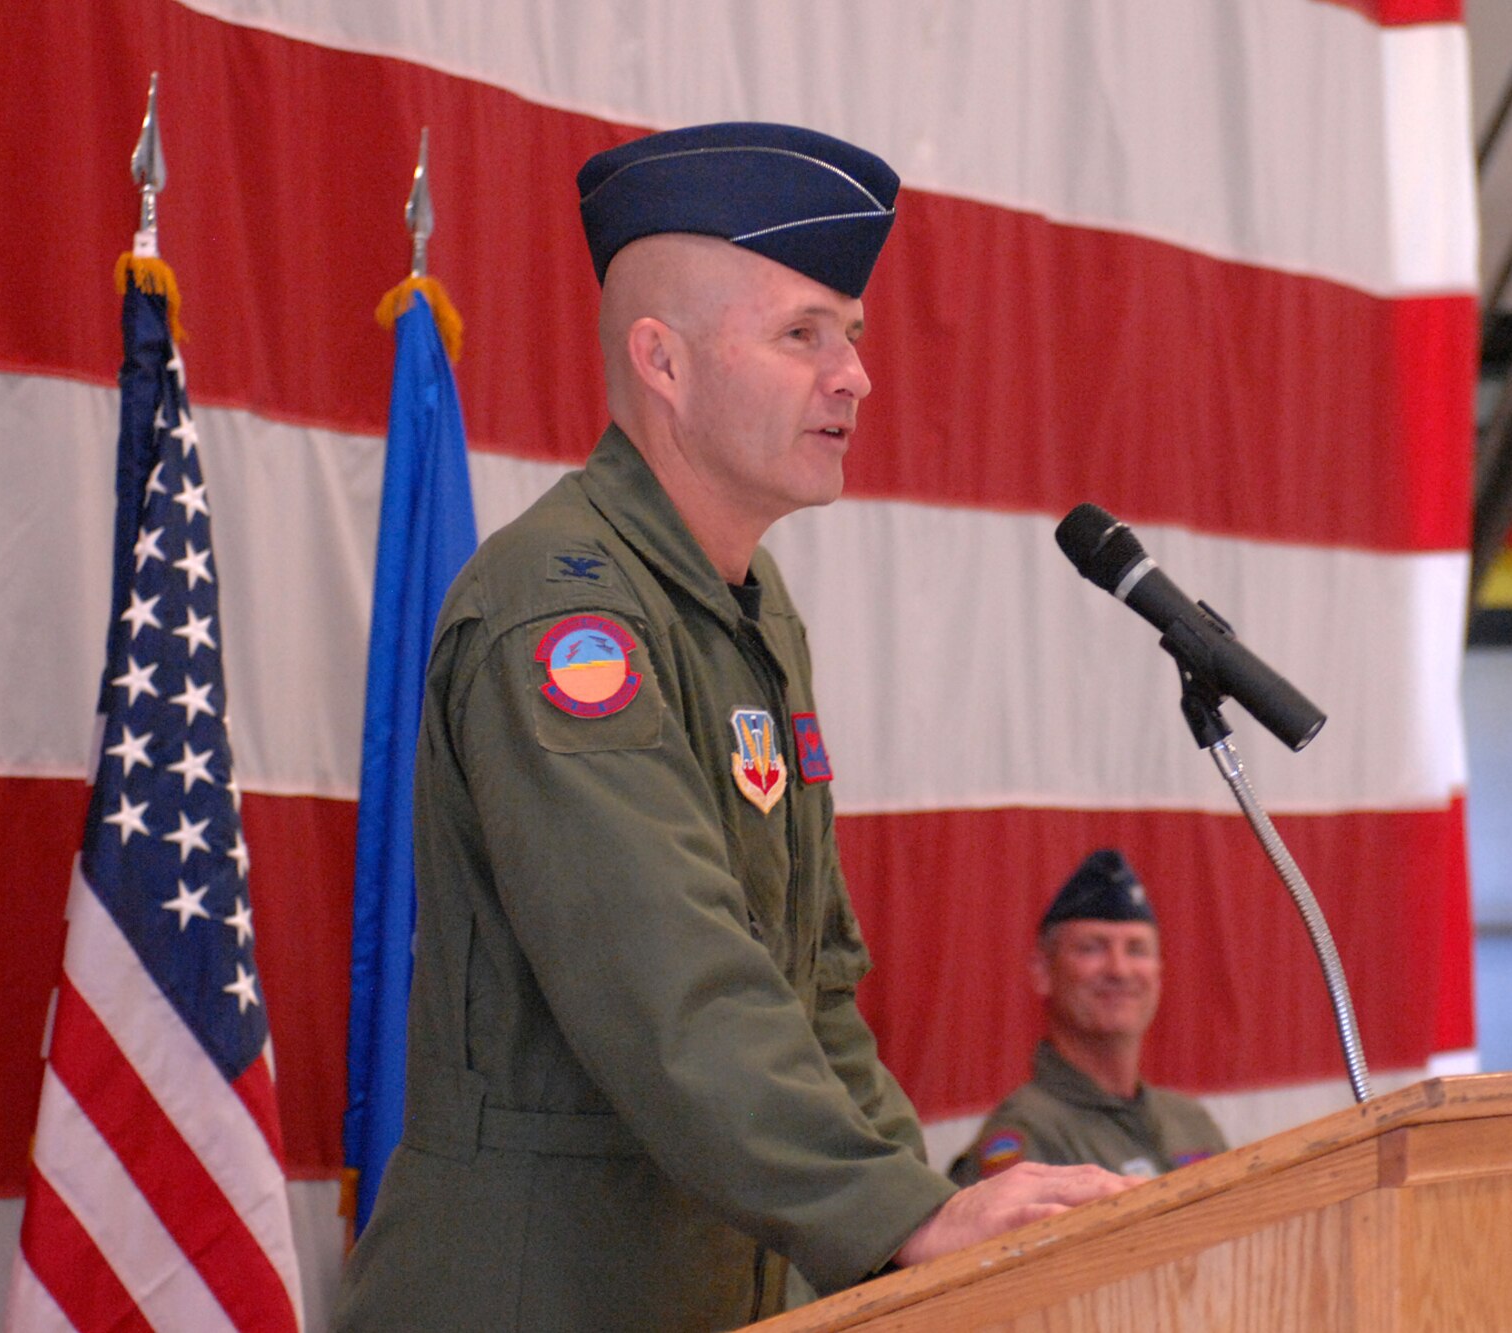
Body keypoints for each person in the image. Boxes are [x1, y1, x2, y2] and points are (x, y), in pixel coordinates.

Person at [334, 122, 1129, 1332]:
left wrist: (924, 1238)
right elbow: (669, 979)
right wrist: (897, 1217)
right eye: (802, 333)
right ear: (662, 361)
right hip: (536, 1295)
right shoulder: (564, 614)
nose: (854, 374)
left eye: (851, 335)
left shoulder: (743, 608)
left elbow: (812, 990)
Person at [950, 849, 1228, 1185]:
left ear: (1159, 972)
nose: (1119, 970)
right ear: (1042, 972)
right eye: (1092, 948)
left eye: (1136, 949)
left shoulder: (1190, 1122)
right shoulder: (1029, 1139)